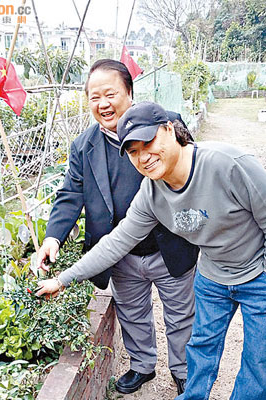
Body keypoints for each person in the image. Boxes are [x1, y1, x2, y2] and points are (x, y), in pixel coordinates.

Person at [37, 101, 266, 400]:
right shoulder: (151, 193)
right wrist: (62, 279)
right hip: (212, 278)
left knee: (258, 359)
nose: (144, 156)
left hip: (257, 275)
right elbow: (117, 241)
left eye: (149, 142)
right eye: (133, 151)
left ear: (170, 129)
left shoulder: (230, 165)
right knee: (200, 350)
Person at [37, 62, 198, 395]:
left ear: (129, 92)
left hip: (168, 244)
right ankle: (142, 366)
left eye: (110, 93)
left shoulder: (165, 124)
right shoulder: (84, 146)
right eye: (95, 97)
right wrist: (53, 237)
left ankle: (183, 370)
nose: (103, 104)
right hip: (119, 251)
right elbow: (70, 195)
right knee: (132, 313)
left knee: (181, 315)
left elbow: (189, 171)